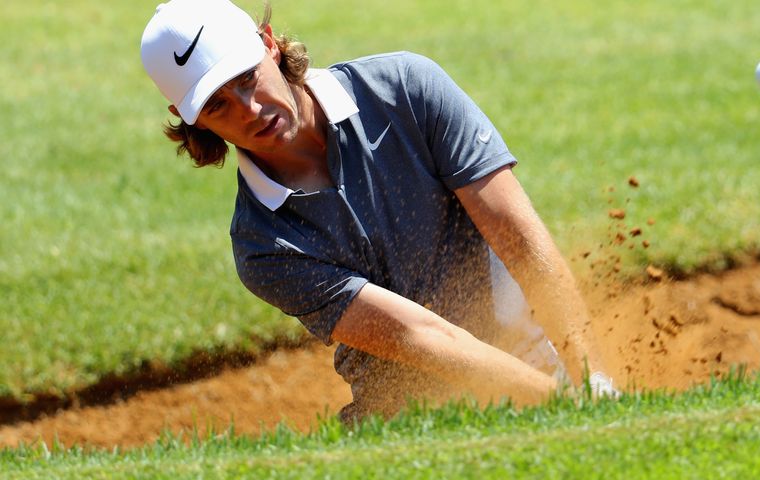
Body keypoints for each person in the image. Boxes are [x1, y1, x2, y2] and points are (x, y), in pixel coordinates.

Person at [141, 0, 619, 423]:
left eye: (246, 77)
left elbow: (521, 242)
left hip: (533, 358)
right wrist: (563, 404)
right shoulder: (262, 245)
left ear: (269, 46)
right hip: (410, 421)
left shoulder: (407, 88)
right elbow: (421, 335)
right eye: (218, 104)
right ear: (193, 119)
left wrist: (592, 381)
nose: (247, 109)